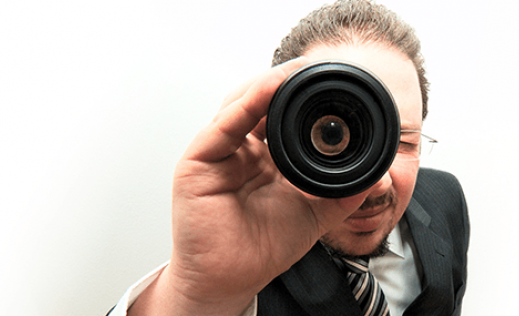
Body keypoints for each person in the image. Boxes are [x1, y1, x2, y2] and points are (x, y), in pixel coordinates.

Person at [108, 1, 469, 315]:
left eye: (403, 143)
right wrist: (196, 295)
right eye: (333, 135)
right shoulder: (247, 255)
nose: (375, 183)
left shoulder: (444, 198)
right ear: (281, 134)